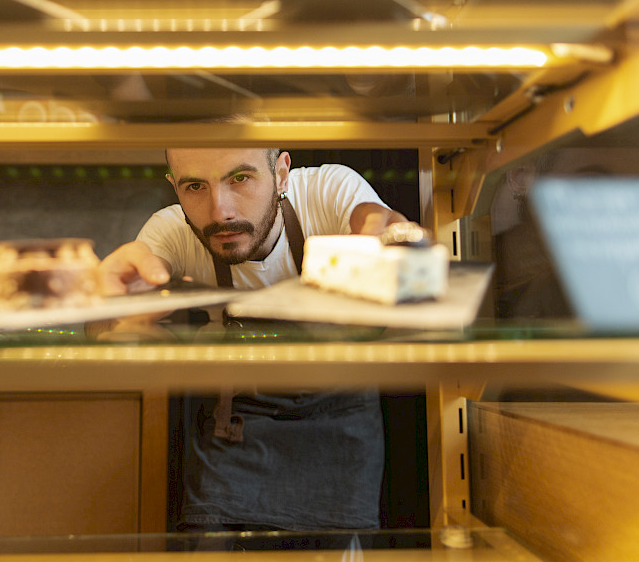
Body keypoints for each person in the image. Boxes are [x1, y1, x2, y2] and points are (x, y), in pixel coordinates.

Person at [98, 147, 411, 541]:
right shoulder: (171, 231)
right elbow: (114, 312)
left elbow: (379, 227)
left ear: (281, 174)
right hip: (234, 430)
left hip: (340, 428)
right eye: (195, 186)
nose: (221, 212)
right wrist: (113, 308)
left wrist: (393, 242)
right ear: (174, 187)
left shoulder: (328, 191)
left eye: (240, 178)